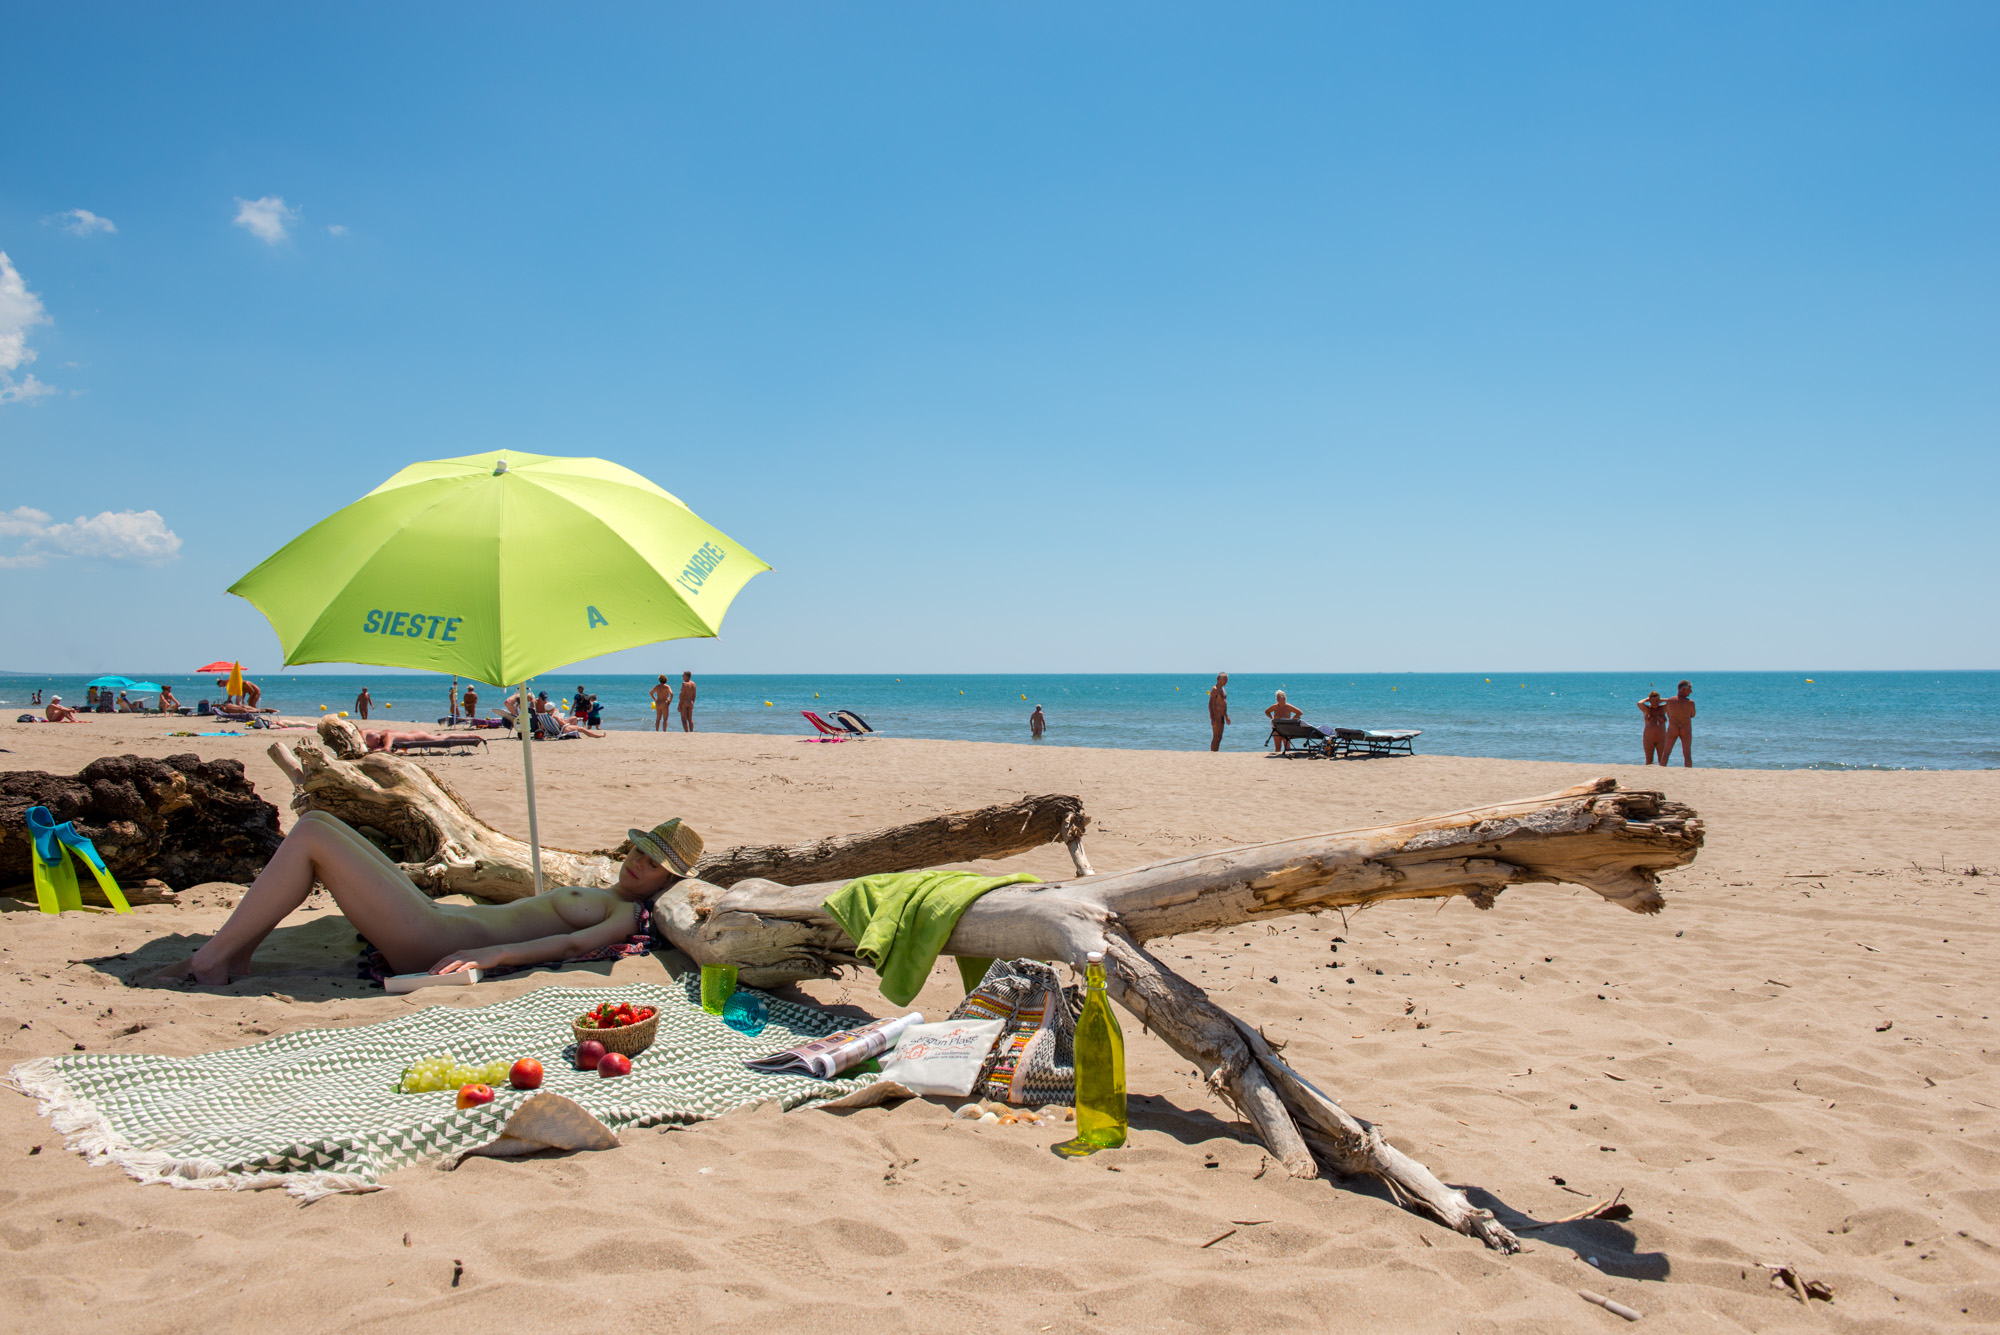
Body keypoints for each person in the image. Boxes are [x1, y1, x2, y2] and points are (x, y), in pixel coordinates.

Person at [155, 813, 705, 986]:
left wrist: (494, 957)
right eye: (638, 851)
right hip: (438, 920)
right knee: (317, 821)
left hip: (435, 940)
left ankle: (212, 960)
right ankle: (238, 952)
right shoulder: (607, 888)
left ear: (666, 879)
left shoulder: (623, 912)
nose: (637, 863)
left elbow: (570, 942)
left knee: (312, 839)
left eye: (652, 863)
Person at [1662, 680, 1696, 768]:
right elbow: (1692, 715)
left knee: (1666, 752)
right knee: (1687, 754)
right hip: (1686, 728)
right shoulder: (1690, 702)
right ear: (1683, 689)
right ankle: (1688, 772)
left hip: (1673, 727)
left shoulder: (1670, 701)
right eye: (1690, 688)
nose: (1691, 691)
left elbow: (1669, 715)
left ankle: (1661, 769)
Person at [1637, 691, 1668, 765]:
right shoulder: (1646, 710)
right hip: (1648, 739)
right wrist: (1647, 699)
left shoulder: (1663, 709)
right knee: (1648, 761)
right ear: (1649, 701)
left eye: (1657, 700)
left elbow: (1673, 702)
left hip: (1661, 739)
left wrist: (1662, 700)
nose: (1655, 702)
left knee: (1662, 761)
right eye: (1653, 700)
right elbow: (1639, 703)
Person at [1208, 673, 1231, 752]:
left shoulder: (1223, 690)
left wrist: (1226, 716)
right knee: (1216, 737)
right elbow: (1211, 704)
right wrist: (1212, 718)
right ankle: (1213, 753)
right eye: (1224, 679)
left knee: (1219, 737)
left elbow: (1223, 704)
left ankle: (1215, 752)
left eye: (1227, 679)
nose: (1226, 681)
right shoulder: (1215, 689)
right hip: (1216, 716)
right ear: (1218, 679)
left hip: (1222, 716)